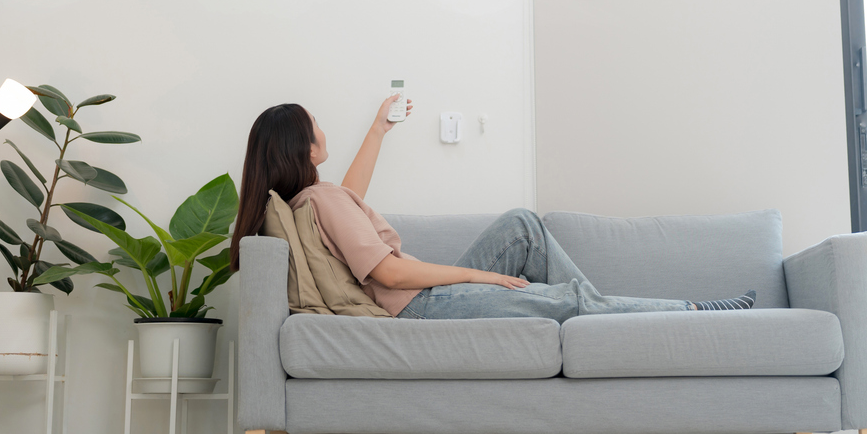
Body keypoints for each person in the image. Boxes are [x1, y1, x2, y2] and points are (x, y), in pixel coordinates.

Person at [228, 98, 755, 323]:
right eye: (315, 122)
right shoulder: (321, 199)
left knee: (524, 229)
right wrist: (479, 276)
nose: (323, 127)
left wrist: (378, 129)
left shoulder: (311, 201)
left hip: (415, 301)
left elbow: (348, 199)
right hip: (417, 308)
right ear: (304, 147)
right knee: (559, 297)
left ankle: (602, 313)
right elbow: (387, 271)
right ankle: (681, 314)